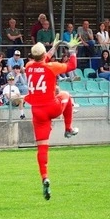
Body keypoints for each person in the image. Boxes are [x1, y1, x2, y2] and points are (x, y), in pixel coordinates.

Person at [22, 41, 78, 200]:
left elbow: (42, 58)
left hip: (37, 111)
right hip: (51, 107)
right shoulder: (51, 66)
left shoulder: (28, 66)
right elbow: (71, 66)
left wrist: (54, 47)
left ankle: (44, 177)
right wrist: (72, 50)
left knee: (42, 148)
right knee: (66, 95)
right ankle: (68, 129)